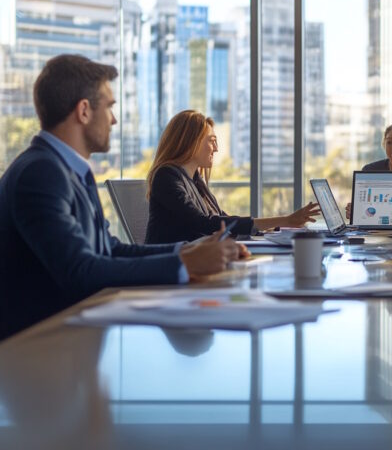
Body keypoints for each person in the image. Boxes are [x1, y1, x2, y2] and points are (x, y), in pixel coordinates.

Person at [0, 55, 244, 341]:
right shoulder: (41, 173)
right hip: (39, 350)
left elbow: (110, 249)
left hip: (73, 338)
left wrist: (188, 252)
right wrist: (185, 265)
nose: (114, 119)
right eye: (110, 107)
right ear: (84, 111)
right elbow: (80, 270)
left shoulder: (69, 171)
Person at [145, 110, 320, 244]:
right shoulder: (166, 176)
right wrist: (285, 219)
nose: (216, 148)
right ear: (191, 141)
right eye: (211, 140)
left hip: (196, 262)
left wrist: (278, 228)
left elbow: (223, 218)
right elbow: (205, 224)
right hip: (175, 267)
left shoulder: (196, 180)